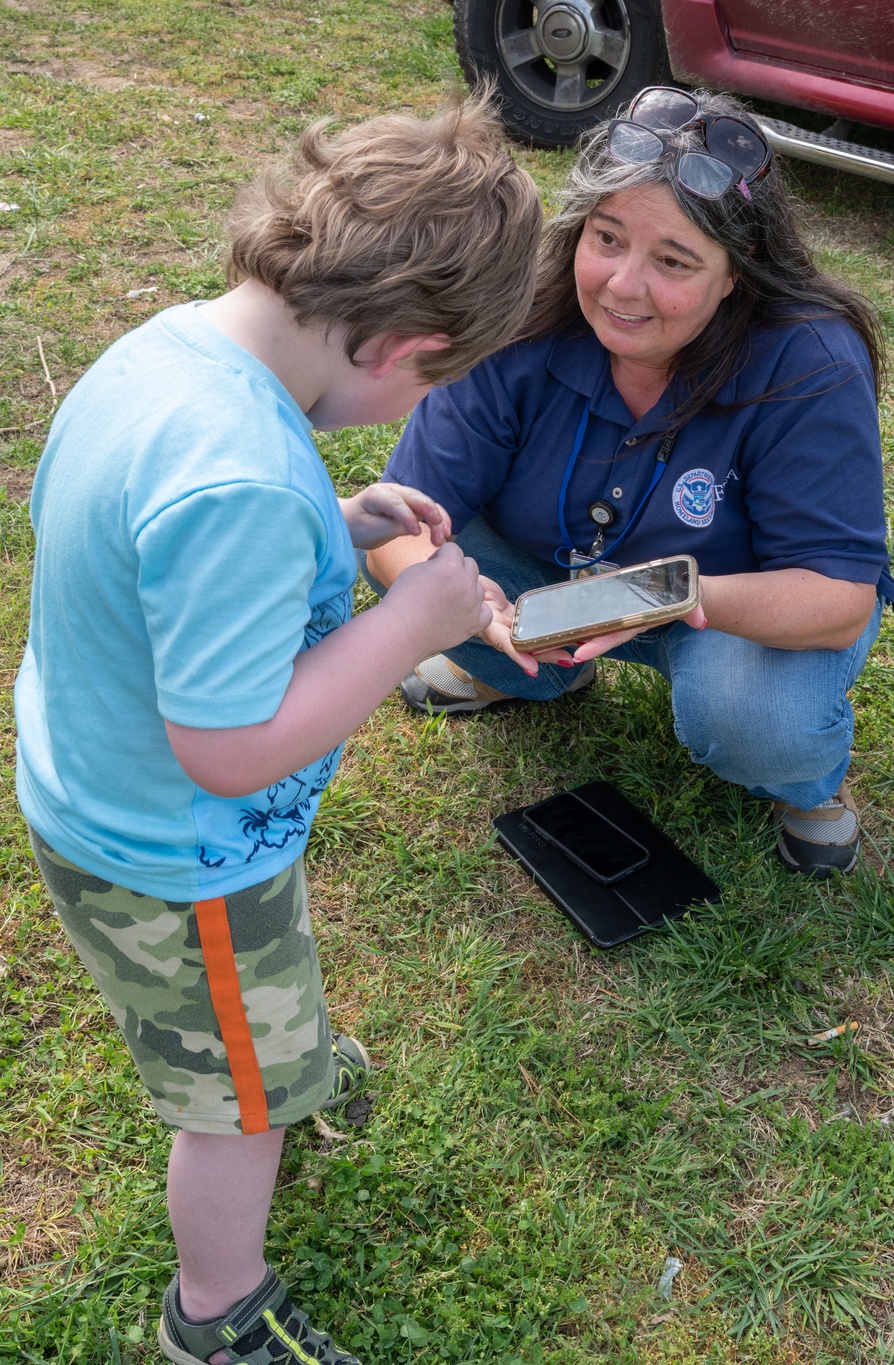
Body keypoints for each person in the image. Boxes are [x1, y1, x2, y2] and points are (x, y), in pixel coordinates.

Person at [14, 97, 541, 1365]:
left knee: (252, 1017)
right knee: (234, 1109)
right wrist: (412, 619)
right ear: (401, 348)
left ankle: (269, 1049)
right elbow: (233, 747)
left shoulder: (179, 353)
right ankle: (217, 1311)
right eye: (436, 379)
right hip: (179, 845)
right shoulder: (239, 477)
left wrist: (338, 518)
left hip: (107, 793)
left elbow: (177, 539)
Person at [365, 86, 894, 880]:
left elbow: (837, 597)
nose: (620, 284)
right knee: (429, 574)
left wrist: (677, 596)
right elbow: (398, 524)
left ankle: (803, 785)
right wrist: (475, 613)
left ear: (735, 277)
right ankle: (521, 669)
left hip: (735, 610)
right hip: (552, 577)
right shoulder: (523, 315)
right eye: (606, 237)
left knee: (759, 722)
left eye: (674, 261)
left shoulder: (808, 363)